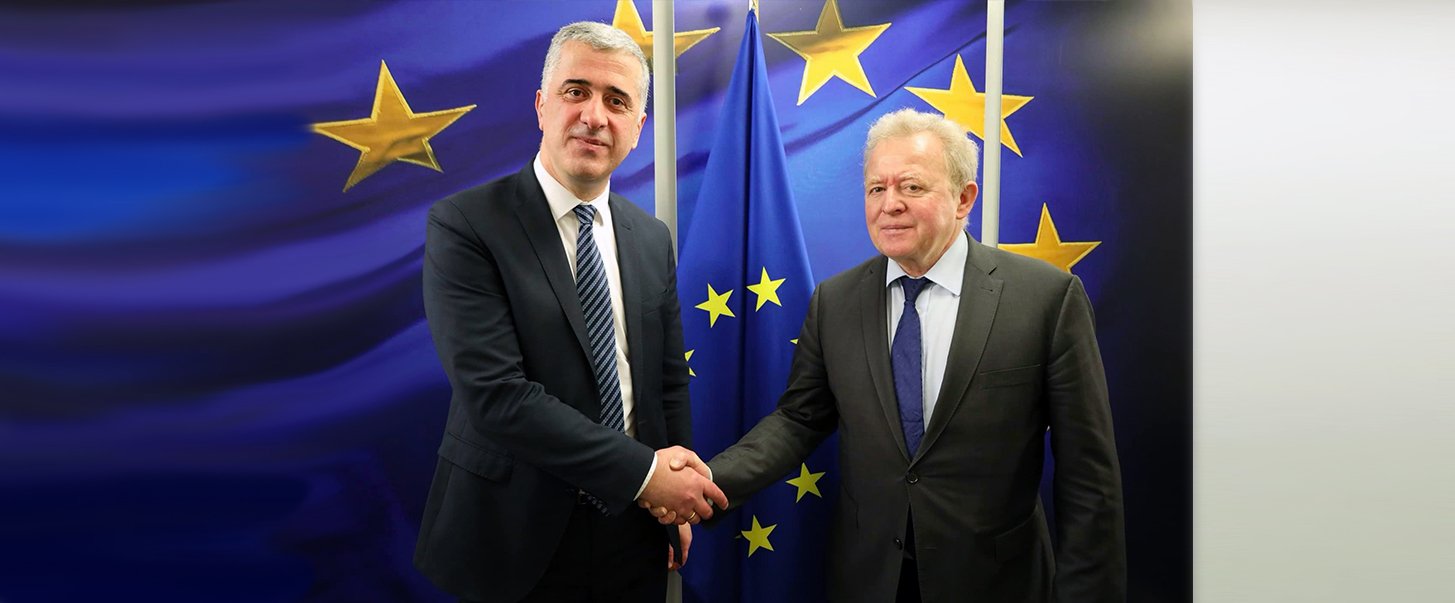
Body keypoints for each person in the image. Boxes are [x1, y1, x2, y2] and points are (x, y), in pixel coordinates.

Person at [680, 109, 1126, 602]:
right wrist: (708, 482)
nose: (889, 204)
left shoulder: (1046, 298)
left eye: (911, 187)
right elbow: (798, 421)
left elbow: (1089, 476)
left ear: (963, 198)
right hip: (870, 579)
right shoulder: (835, 301)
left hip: (996, 582)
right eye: (876, 188)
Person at [414, 21, 726, 603]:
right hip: (512, 535)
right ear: (542, 105)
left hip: (634, 529)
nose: (594, 116)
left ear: (638, 126)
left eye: (617, 100)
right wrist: (646, 476)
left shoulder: (650, 238)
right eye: (576, 91)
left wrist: (675, 496)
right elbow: (496, 395)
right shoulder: (466, 225)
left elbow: (665, 381)